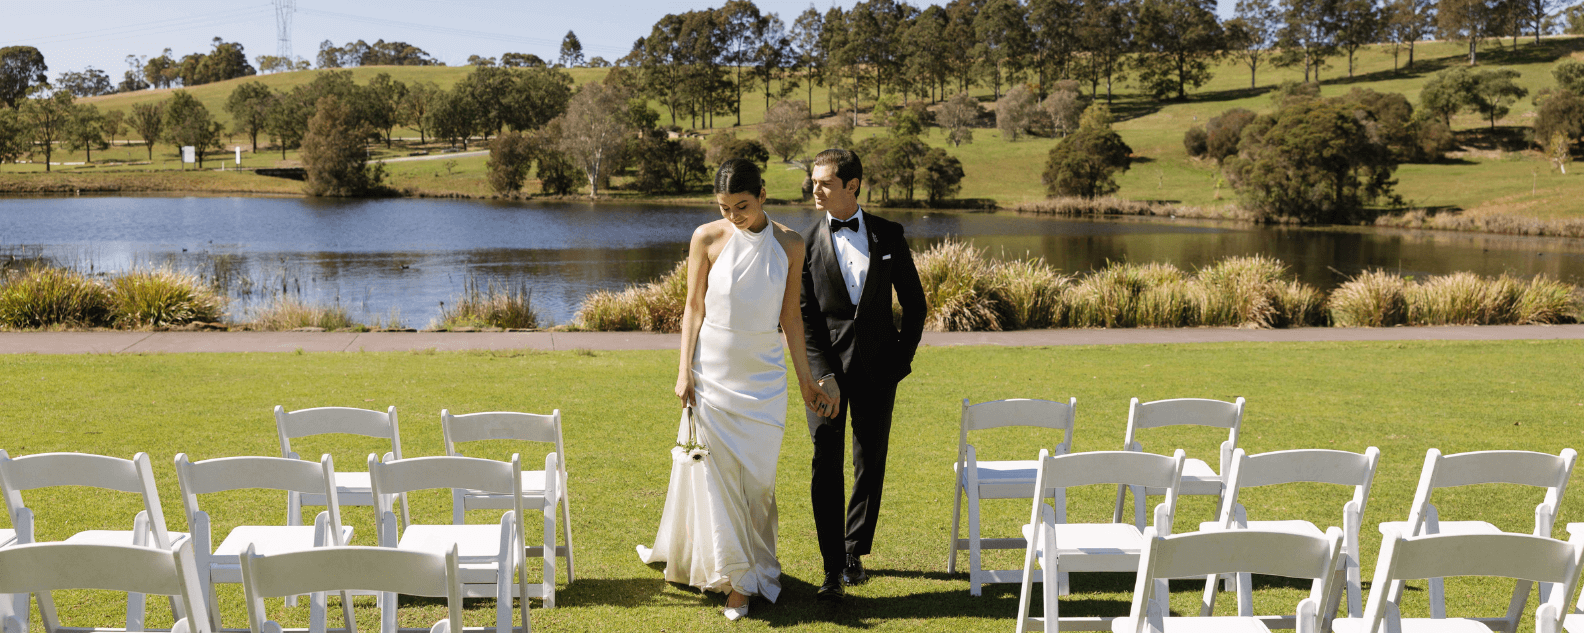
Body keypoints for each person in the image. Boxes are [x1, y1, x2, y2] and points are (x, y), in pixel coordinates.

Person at [637, 159, 838, 621]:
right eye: (725, 207)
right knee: (718, 479)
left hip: (764, 380)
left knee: (759, 484)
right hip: (713, 374)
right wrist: (683, 369)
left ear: (763, 194)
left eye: (742, 206)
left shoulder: (790, 244)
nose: (733, 216)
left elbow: (791, 317)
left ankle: (751, 568)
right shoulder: (706, 238)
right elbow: (692, 308)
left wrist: (806, 380)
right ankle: (738, 583)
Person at [799, 148, 926, 602]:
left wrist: (900, 359)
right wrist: (818, 373)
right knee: (824, 464)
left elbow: (915, 304)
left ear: (852, 186)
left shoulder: (889, 234)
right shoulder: (804, 243)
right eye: (814, 181)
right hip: (825, 377)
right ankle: (831, 568)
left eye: (825, 182)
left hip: (877, 369)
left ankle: (854, 552)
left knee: (869, 462)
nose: (815, 189)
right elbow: (803, 316)